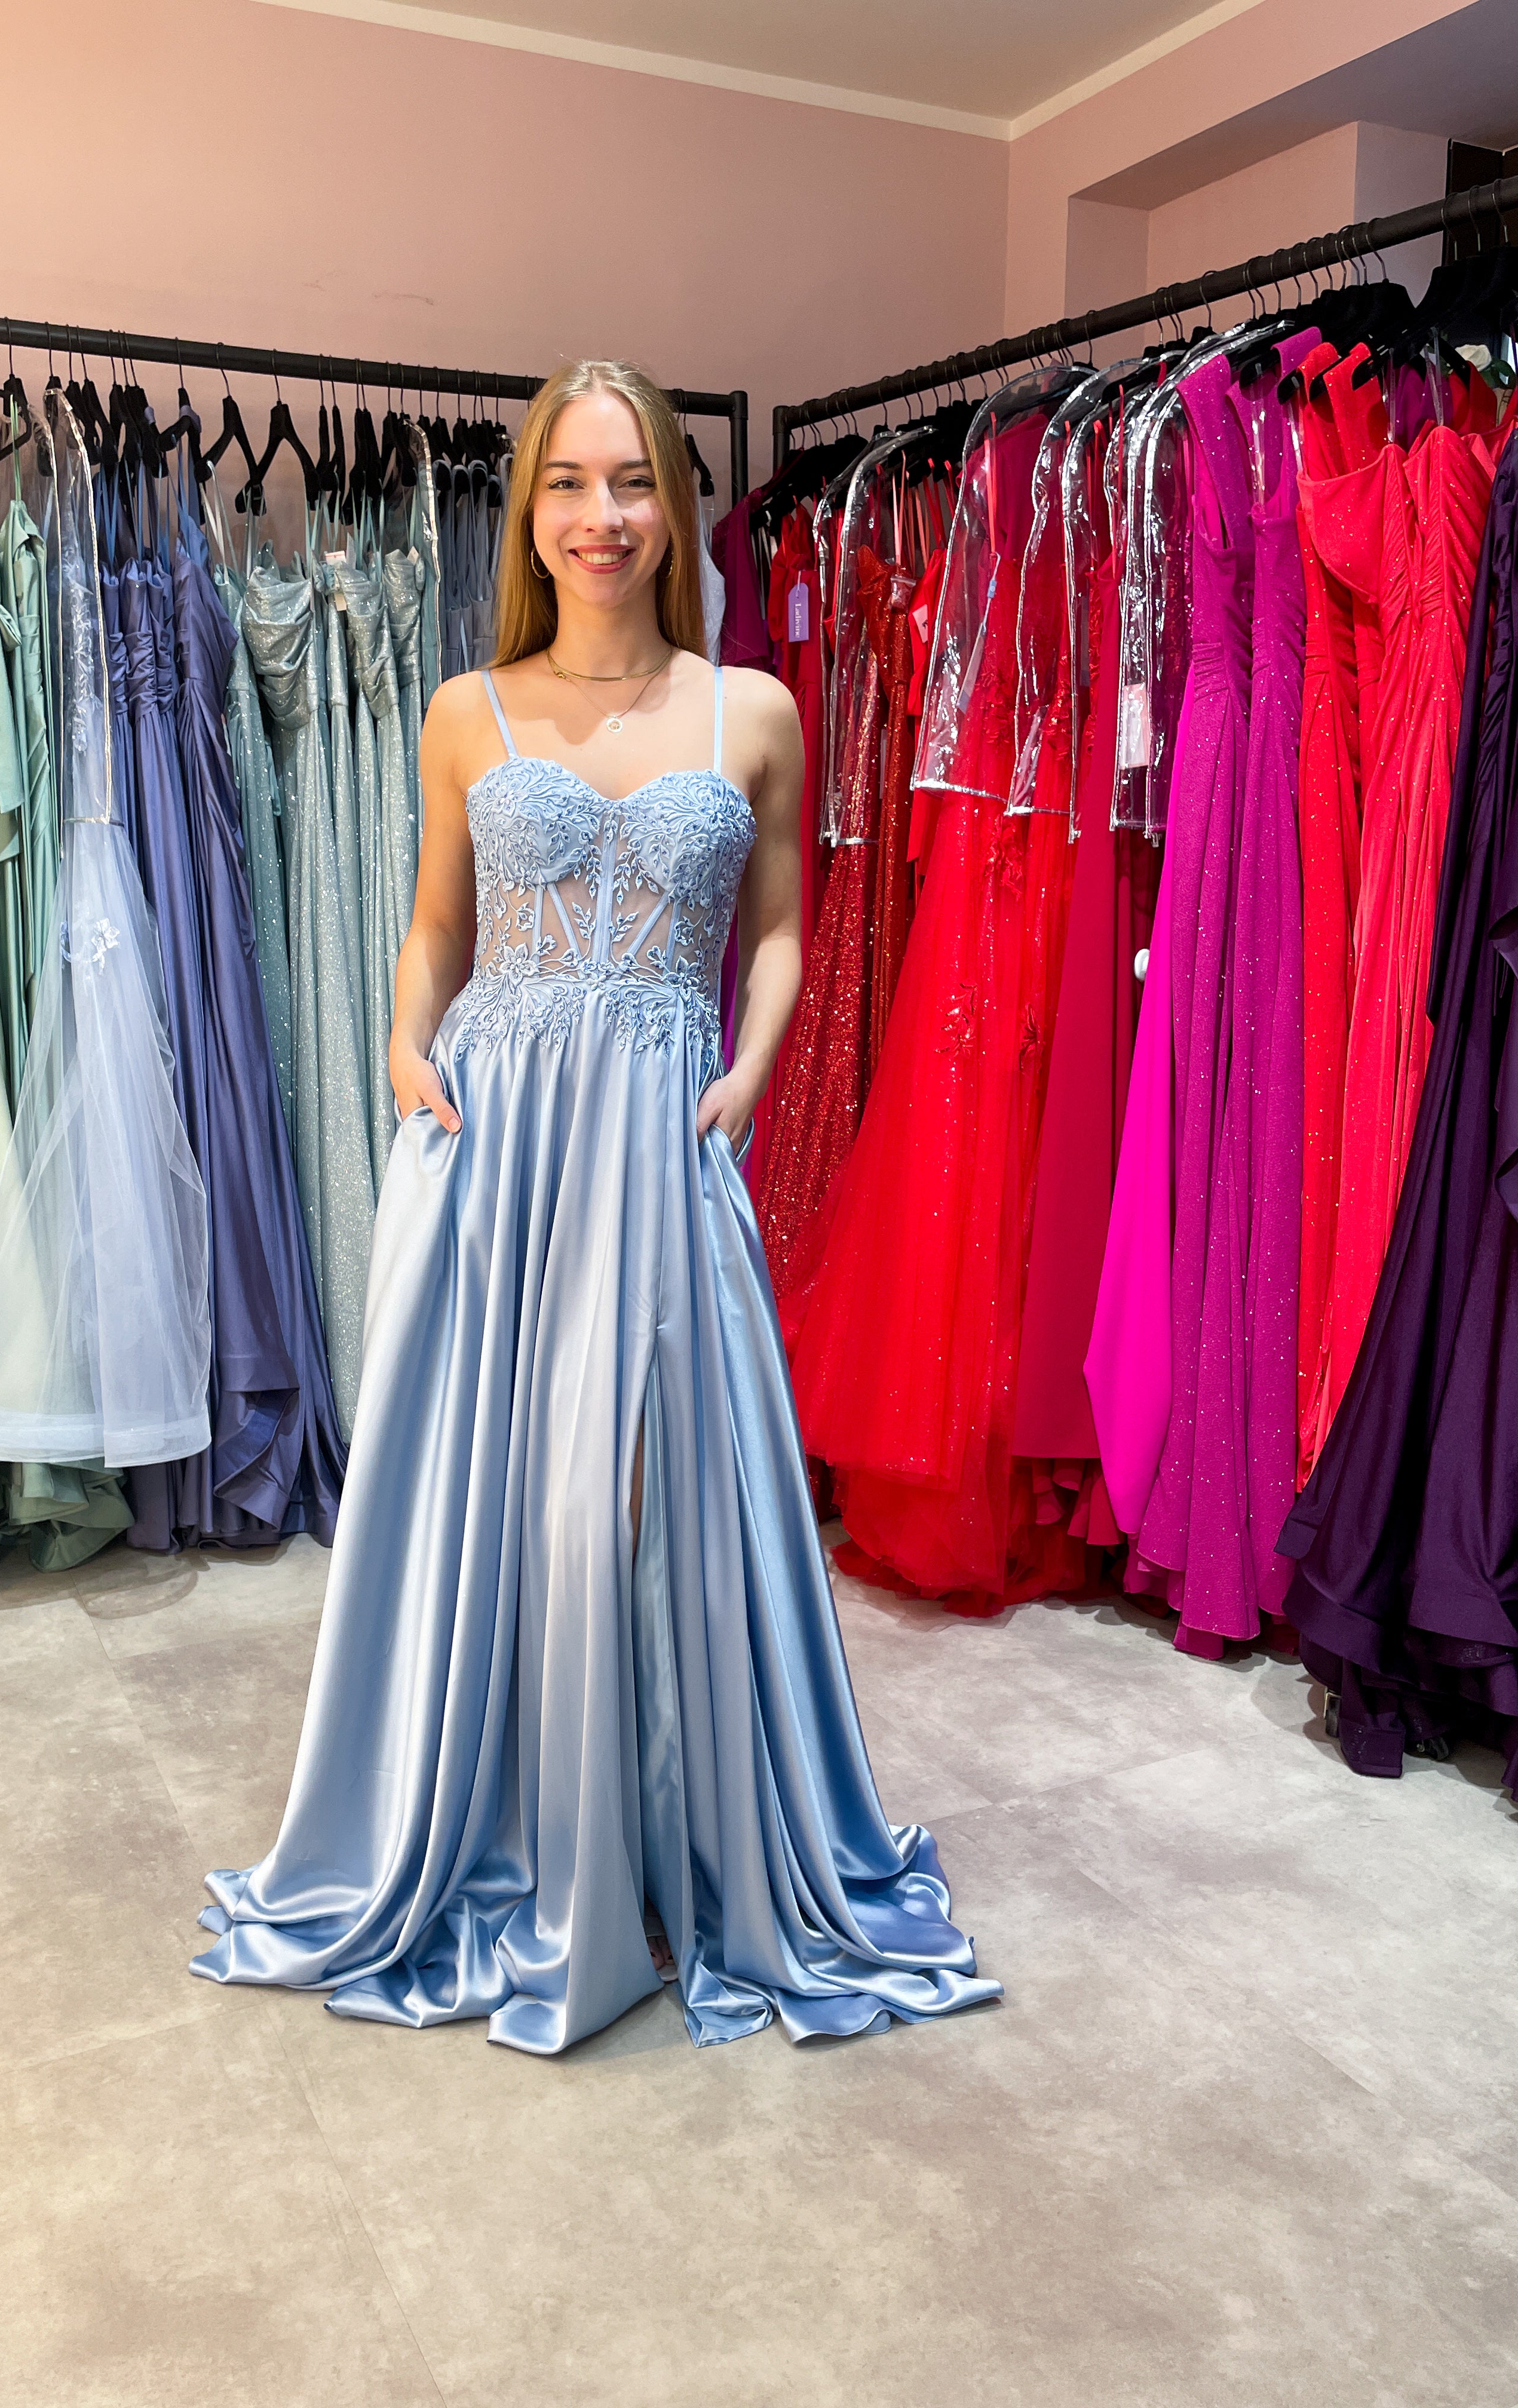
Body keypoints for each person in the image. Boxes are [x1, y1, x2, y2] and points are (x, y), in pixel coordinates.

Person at [191, 360, 998, 2053]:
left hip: (666, 1131)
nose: (601, 516)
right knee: (509, 1499)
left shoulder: (751, 712)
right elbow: (437, 925)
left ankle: (671, 1840)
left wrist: (750, 1071)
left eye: (632, 482)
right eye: (569, 482)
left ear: (676, 507)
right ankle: (522, 1836)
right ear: (530, 511)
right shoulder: (464, 711)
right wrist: (404, 1045)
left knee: (664, 1498)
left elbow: (778, 930)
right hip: (500, 1139)